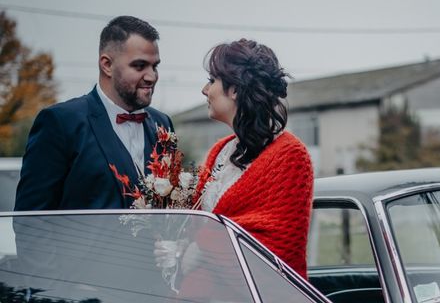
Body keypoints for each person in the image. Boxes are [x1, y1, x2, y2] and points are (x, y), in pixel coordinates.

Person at [14, 15, 174, 210]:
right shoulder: (60, 123)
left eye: (154, 66)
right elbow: (31, 221)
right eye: (139, 66)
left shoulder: (162, 124)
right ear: (107, 65)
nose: (151, 76)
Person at [192, 38, 314, 278]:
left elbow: (278, 249)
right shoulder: (219, 151)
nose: (205, 90)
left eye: (212, 81)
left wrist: (199, 251)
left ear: (235, 89)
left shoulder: (290, 156)